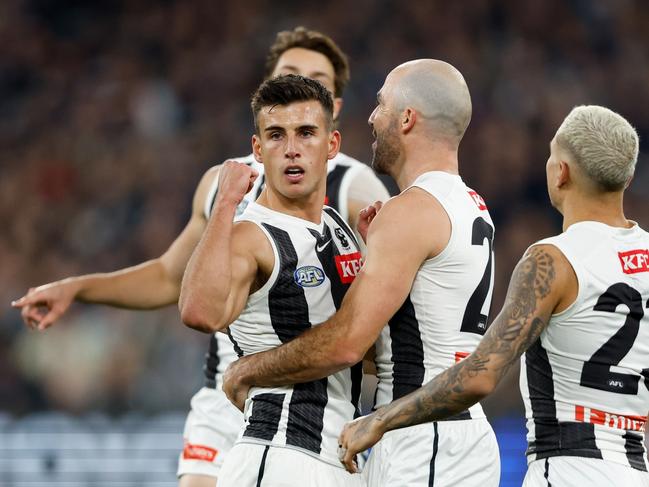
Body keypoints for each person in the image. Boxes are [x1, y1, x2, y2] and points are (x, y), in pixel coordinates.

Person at [11, 27, 389, 487]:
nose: (292, 144)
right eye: (291, 75)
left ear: (334, 119)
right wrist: (80, 286)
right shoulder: (226, 187)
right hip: (235, 406)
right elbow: (175, 281)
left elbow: (365, 333)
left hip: (316, 419)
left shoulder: (353, 193)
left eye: (316, 81)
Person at [222, 59, 500, 487]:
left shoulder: (410, 212)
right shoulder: (469, 204)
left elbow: (348, 343)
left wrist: (247, 370)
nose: (371, 118)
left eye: (381, 104)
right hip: (457, 433)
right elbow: (416, 328)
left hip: (421, 436)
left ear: (407, 119)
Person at [337, 105, 649, 486]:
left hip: (569, 469)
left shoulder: (552, 261)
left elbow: (480, 377)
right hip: (635, 469)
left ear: (560, 171)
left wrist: (382, 419)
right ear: (628, 175)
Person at [180, 74, 363, 486]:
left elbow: (364, 348)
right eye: (276, 136)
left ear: (332, 144)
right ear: (258, 151)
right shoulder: (252, 235)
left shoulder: (338, 228)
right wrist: (225, 205)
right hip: (280, 456)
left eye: (306, 133)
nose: (292, 150)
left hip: (339, 457)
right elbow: (198, 311)